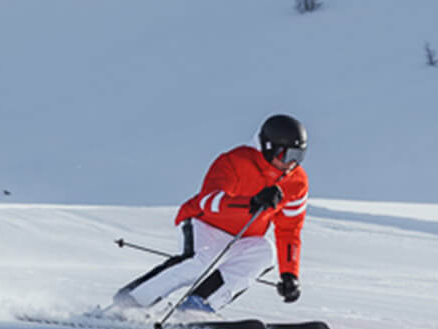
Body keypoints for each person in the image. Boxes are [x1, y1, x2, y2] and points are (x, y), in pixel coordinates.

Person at [115, 114, 309, 314]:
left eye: (299, 156)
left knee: (264, 253)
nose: (291, 164)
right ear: (269, 149)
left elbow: (289, 230)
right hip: (204, 223)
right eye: (286, 155)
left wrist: (289, 274)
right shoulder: (235, 162)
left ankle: (199, 305)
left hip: (244, 237)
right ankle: (131, 301)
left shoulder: (296, 183)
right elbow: (209, 201)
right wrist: (251, 202)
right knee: (199, 262)